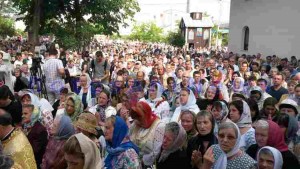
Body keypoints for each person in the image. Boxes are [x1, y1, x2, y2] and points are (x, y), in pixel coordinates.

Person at [129, 101, 165, 167]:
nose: (137, 120)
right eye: (136, 118)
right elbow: (128, 140)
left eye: (139, 118)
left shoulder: (159, 126)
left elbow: (156, 152)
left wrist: (141, 162)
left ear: (146, 115)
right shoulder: (135, 123)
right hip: (132, 162)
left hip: (148, 165)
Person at [22, 104, 48, 168]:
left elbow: (35, 151)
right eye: (22, 113)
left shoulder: (40, 130)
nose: (22, 116)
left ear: (33, 114)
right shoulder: (25, 125)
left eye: (25, 113)